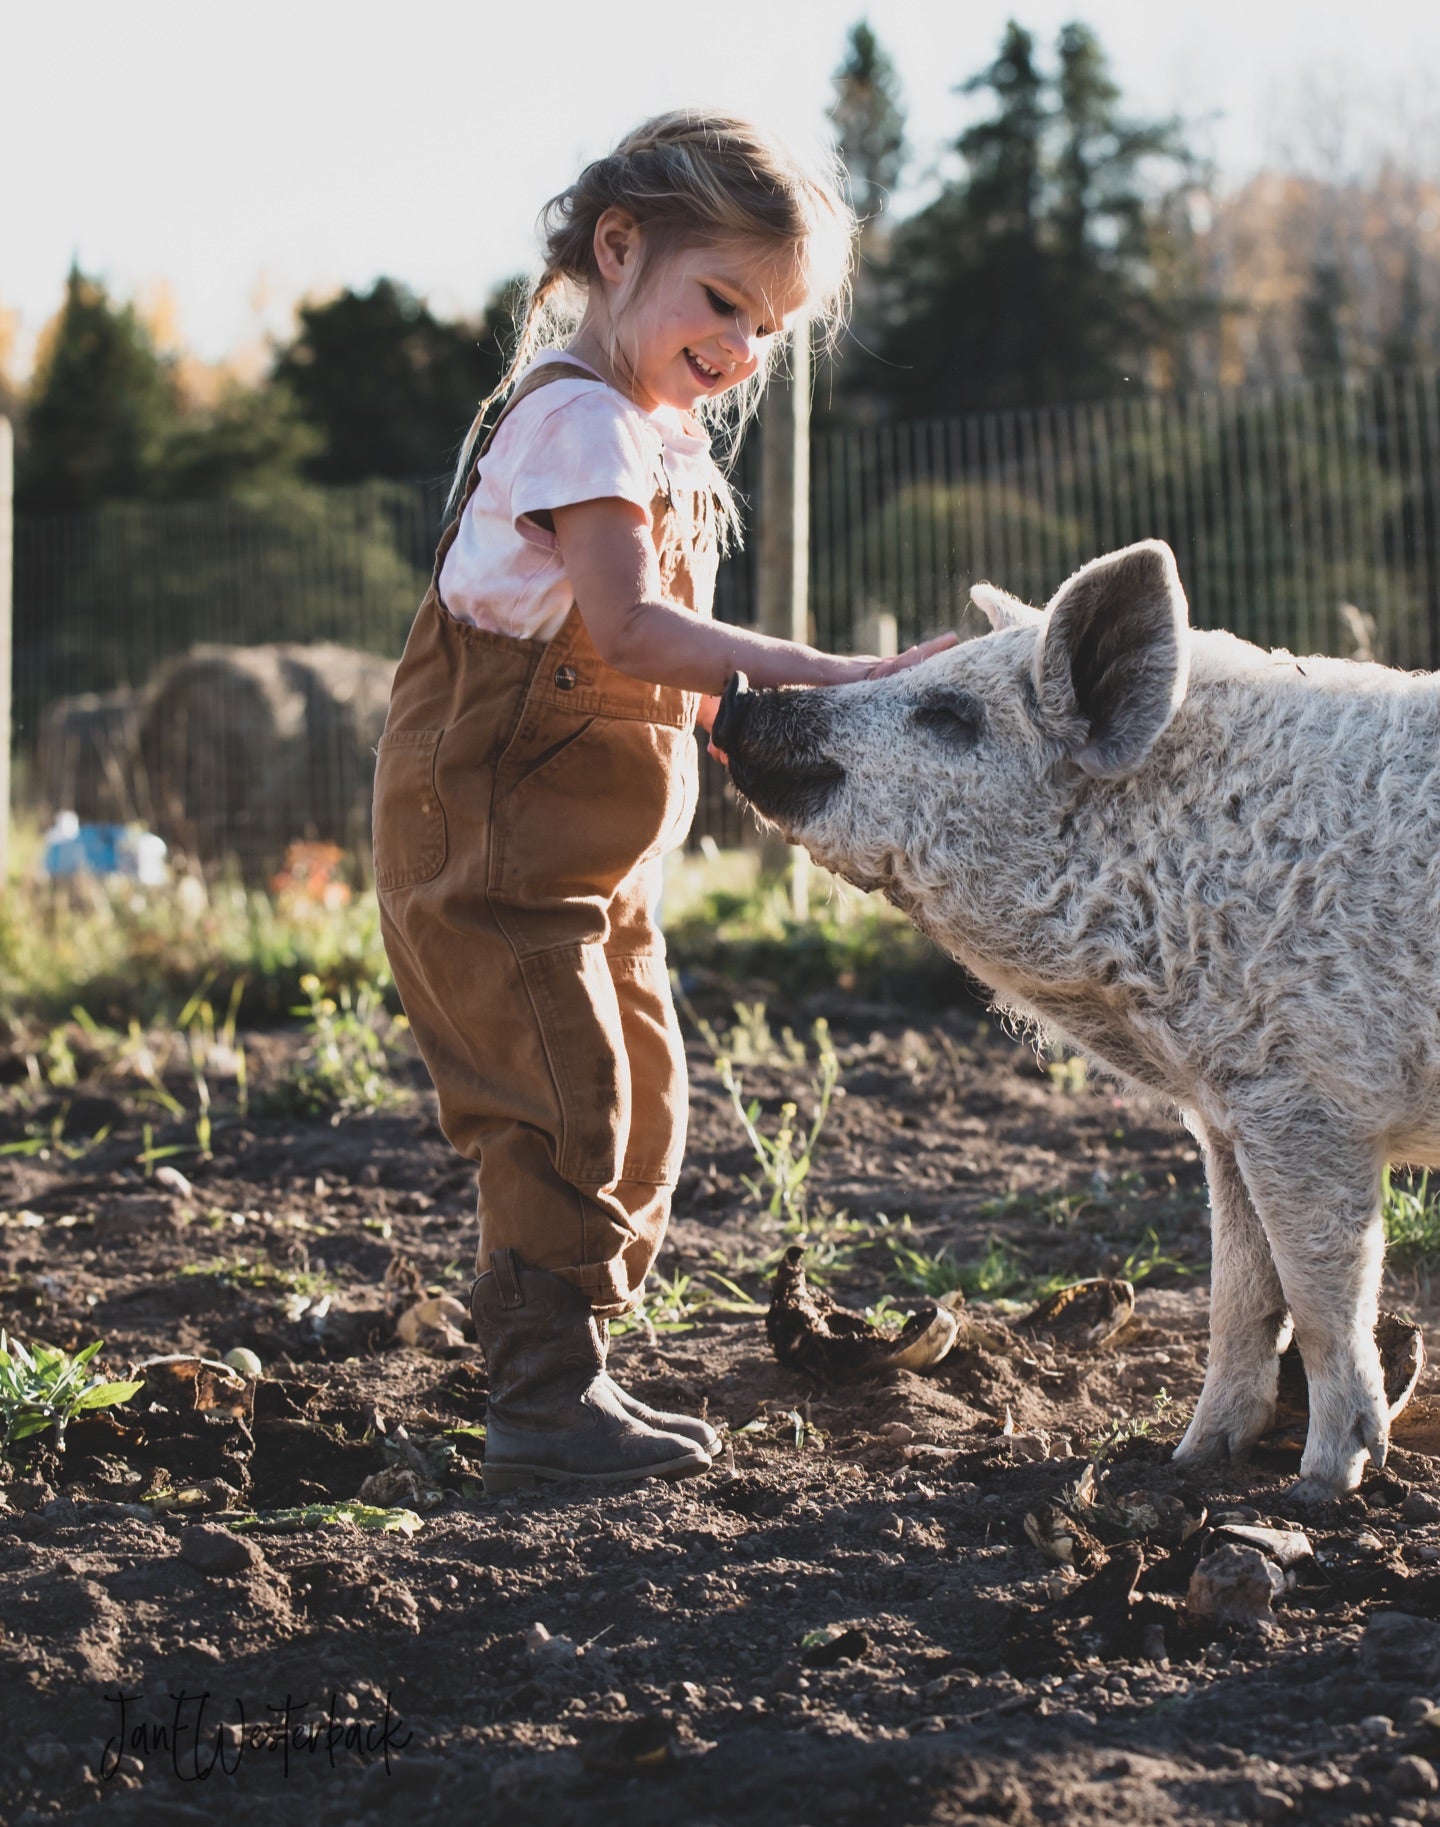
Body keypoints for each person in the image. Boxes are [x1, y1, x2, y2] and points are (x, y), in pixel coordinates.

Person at [371, 111, 950, 1492]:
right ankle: (538, 1408)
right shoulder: (575, 420)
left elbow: (676, 671)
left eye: (774, 328)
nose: (744, 349)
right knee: (562, 1104)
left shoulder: (653, 435)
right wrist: (834, 672)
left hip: (605, 861)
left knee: (642, 1104)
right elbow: (627, 634)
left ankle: (576, 1373)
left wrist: (777, 739)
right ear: (619, 249)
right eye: (723, 301)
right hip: (495, 844)